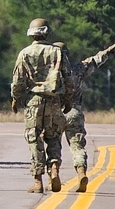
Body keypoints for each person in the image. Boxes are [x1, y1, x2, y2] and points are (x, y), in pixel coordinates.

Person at [10, 18, 74, 194]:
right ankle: (53, 168)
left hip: (33, 101)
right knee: (53, 137)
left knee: (34, 139)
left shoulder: (24, 53)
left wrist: (15, 99)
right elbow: (68, 78)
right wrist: (68, 99)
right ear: (47, 32)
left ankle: (37, 181)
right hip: (54, 100)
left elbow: (18, 81)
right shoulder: (57, 52)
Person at [55, 41, 115, 192]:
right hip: (74, 112)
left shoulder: (49, 72)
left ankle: (54, 174)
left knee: (53, 146)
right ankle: (81, 173)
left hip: (55, 112)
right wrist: (107, 52)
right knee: (77, 146)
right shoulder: (77, 68)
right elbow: (94, 61)